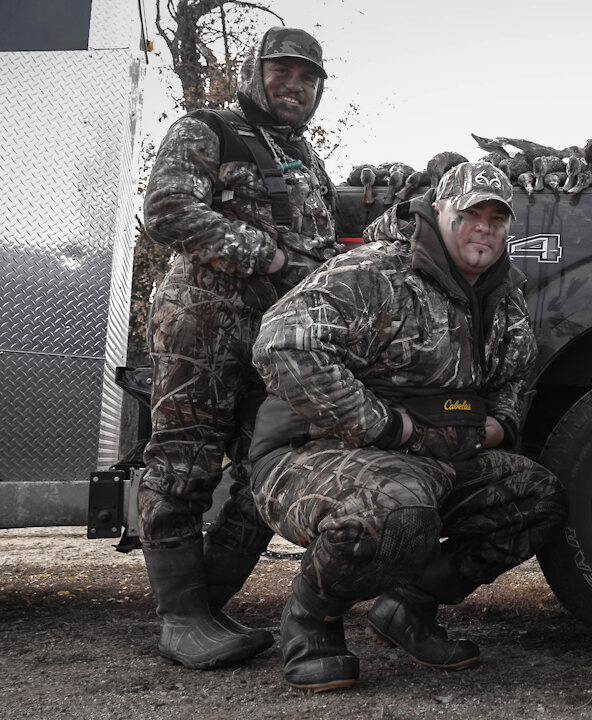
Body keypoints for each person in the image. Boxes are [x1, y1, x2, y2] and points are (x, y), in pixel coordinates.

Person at [248, 161, 566, 692]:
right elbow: (282, 344)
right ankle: (311, 619)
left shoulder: (503, 294)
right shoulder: (374, 272)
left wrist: (495, 428)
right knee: (397, 506)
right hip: (310, 455)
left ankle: (407, 609)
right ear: (439, 210)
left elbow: (512, 377)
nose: (483, 227)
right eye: (470, 214)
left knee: (537, 499)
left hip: (432, 457)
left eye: (496, 217)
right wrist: (386, 426)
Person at [137, 27, 340, 669]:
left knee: (268, 466)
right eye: (283, 72)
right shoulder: (208, 130)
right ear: (255, 73)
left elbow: (320, 238)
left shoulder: (306, 159)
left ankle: (208, 602)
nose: (296, 86)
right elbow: (167, 209)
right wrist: (270, 252)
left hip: (276, 336)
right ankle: (180, 619)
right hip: (203, 322)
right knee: (184, 465)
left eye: (309, 78)